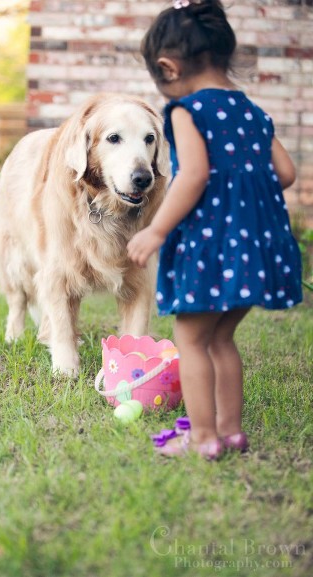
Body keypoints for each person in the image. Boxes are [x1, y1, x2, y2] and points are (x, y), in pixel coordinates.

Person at [127, 0, 303, 459]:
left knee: (191, 339)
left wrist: (157, 230)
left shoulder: (187, 112)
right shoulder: (252, 113)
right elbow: (284, 173)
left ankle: (203, 438)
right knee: (221, 338)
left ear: (168, 67)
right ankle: (231, 432)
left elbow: (194, 175)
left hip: (212, 246)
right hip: (258, 245)